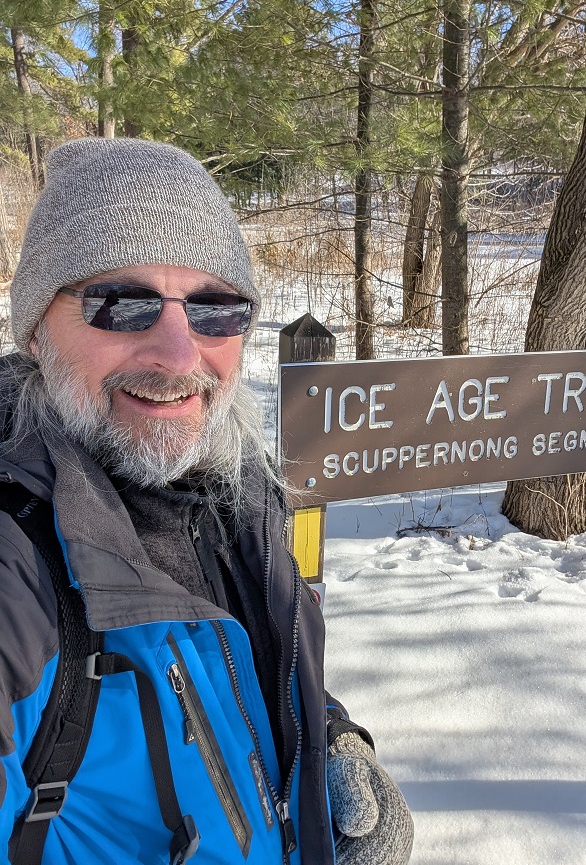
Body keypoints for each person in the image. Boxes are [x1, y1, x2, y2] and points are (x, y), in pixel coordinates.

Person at [0, 138, 413, 865]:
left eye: (216, 310)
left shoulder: (235, 488)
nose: (182, 357)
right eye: (121, 305)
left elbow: (242, 661)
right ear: (36, 329)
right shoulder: (16, 569)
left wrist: (331, 739)